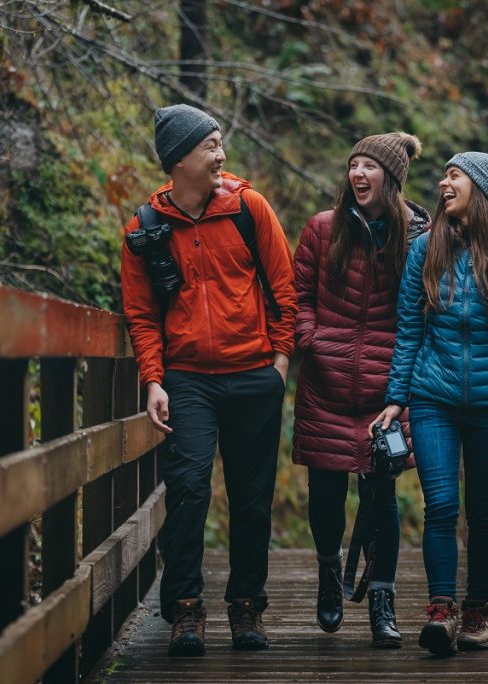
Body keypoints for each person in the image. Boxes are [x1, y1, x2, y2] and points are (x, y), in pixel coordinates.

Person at [120, 104, 296, 656]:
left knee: (250, 497)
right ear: (179, 159)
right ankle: (185, 611)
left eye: (220, 145)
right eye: (210, 146)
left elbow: (285, 292)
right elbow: (142, 315)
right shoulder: (144, 230)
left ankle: (247, 607)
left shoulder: (249, 208)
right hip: (188, 377)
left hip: (253, 375)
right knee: (190, 487)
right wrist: (154, 378)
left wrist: (280, 363)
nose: (221, 155)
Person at [375, 151, 488, 656]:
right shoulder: (426, 248)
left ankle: (477, 613)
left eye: (455, 176)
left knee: (484, 510)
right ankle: (441, 610)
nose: (444, 184)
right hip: (433, 399)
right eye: (444, 175)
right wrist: (396, 398)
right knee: (442, 506)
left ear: (482, 188)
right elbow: (408, 329)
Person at [292, 132, 430, 648]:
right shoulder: (322, 230)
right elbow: (298, 295)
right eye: (353, 164)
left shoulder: (416, 239)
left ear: (391, 180)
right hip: (326, 386)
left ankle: (382, 600)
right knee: (326, 495)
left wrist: (404, 375)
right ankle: (330, 569)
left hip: (386, 391)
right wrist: (312, 340)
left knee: (380, 499)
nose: (358, 173)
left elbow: (425, 311)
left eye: (370, 165)